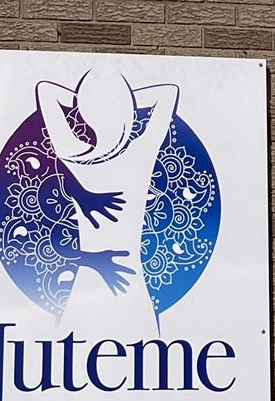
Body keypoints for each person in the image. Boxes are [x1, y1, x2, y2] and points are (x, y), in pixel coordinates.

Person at [35, 67, 179, 346]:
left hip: (88, 279)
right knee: (148, 363)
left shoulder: (72, 154)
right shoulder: (141, 154)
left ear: (84, 113)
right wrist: (124, 99)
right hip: (130, 281)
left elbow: (45, 91)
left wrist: (87, 98)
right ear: (128, 112)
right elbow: (168, 93)